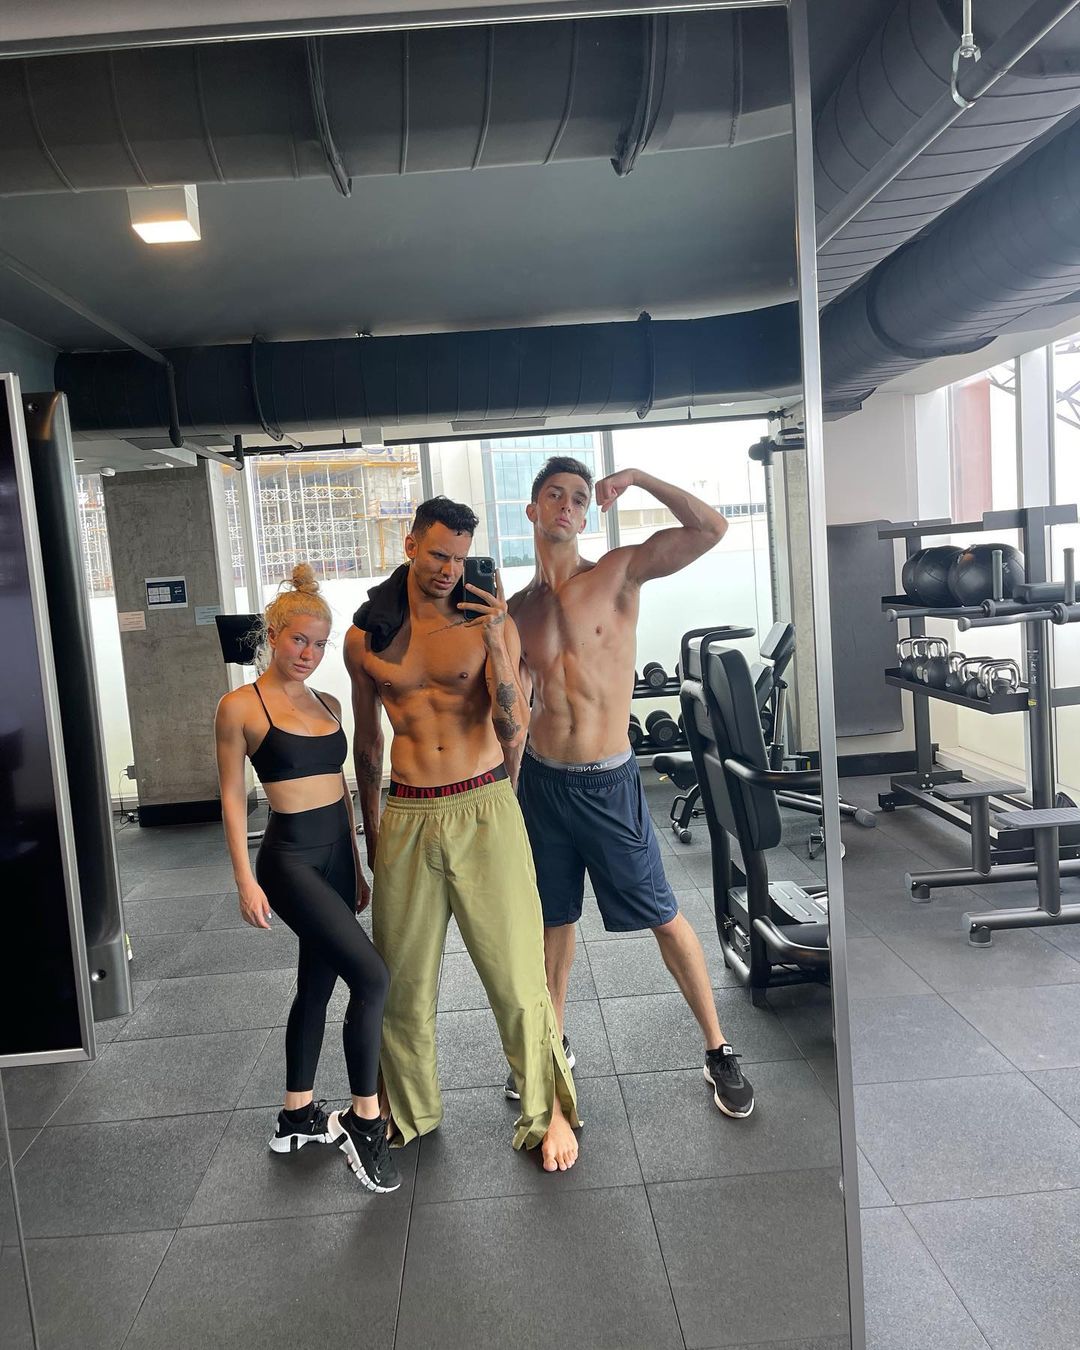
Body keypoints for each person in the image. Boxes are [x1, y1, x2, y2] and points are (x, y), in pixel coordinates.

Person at [504, 456, 755, 1119]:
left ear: (587, 513)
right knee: (553, 920)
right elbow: (514, 708)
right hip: (543, 787)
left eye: (578, 497)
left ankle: (718, 1048)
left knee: (663, 916)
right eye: (554, 494)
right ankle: (551, 1045)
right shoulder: (517, 611)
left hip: (608, 783)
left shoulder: (617, 573)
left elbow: (711, 529)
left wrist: (639, 478)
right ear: (532, 510)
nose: (566, 504)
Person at [345, 497, 581, 1173]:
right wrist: (370, 836)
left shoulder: (487, 621)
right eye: (438, 554)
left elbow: (515, 725)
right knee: (402, 982)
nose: (449, 569)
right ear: (410, 544)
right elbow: (368, 746)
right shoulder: (367, 637)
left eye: (459, 557)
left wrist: (497, 638)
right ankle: (408, 1109)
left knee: (516, 974)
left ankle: (548, 1108)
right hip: (407, 813)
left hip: (482, 804)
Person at [215, 564, 400, 1193]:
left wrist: (358, 862)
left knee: (316, 985)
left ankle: (296, 1116)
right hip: (289, 860)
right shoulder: (241, 706)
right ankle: (364, 1120)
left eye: (319, 644)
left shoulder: (328, 703)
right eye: (298, 640)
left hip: (336, 858)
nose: (309, 653)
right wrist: (245, 879)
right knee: (372, 977)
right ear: (272, 635)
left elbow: (342, 790)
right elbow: (232, 797)